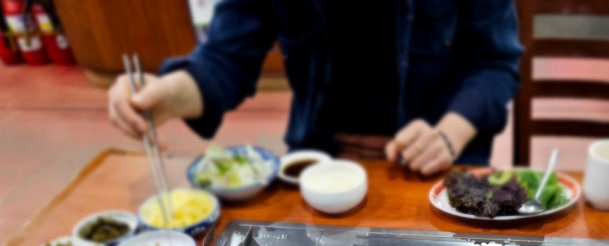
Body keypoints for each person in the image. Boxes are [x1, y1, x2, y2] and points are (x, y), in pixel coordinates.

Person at [107, 0, 523, 176]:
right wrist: (168, 92)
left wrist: (448, 135)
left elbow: (495, 62)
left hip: (436, 167)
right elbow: (226, 59)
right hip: (318, 163)